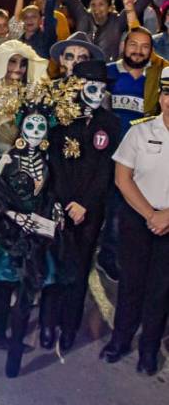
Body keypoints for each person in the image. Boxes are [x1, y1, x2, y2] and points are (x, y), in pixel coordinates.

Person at [0, 84, 76, 377]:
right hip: (8, 234)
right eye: (30, 125)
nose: (35, 131)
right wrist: (15, 216)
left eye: (40, 126)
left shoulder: (46, 161)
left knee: (28, 291)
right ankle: (1, 337)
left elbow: (49, 193)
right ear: (21, 127)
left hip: (37, 234)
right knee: (5, 287)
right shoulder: (6, 160)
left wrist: (54, 209)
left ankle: (14, 351)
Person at [38, 60, 121, 353]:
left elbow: (106, 170)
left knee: (80, 266)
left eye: (101, 87)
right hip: (59, 206)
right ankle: (47, 323)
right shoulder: (61, 118)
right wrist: (63, 202)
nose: (97, 93)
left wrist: (85, 204)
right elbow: (54, 164)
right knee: (53, 265)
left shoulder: (110, 123)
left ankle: (69, 326)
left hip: (90, 211)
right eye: (90, 86)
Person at [103, 67, 169, 375]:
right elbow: (122, 178)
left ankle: (149, 350)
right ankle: (120, 339)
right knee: (131, 284)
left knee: (161, 290)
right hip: (138, 219)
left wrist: (166, 216)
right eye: (166, 93)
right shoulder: (140, 131)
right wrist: (151, 215)